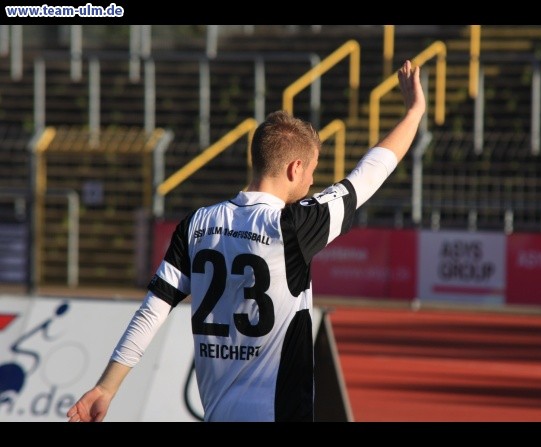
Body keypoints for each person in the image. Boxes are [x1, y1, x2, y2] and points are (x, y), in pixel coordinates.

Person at [66, 59, 426, 422]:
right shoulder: (294, 224)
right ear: (294, 168)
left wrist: (106, 388)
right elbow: (367, 176)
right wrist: (414, 112)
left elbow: (152, 311)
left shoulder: (196, 224)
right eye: (312, 171)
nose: (312, 184)